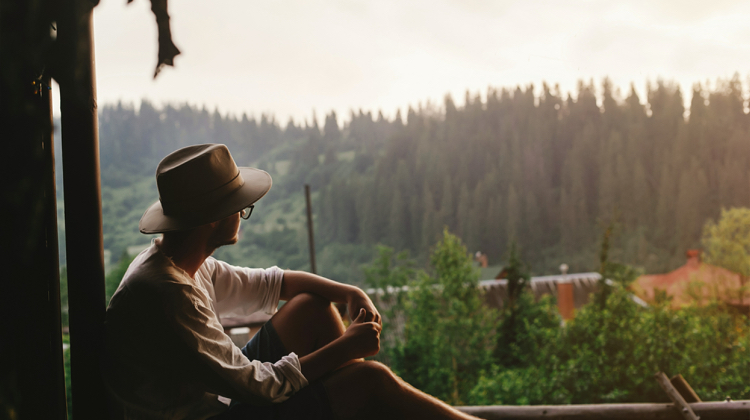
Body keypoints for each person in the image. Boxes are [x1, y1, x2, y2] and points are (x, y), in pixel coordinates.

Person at [102, 143, 480, 420]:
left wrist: (349, 292)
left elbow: (275, 284)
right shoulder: (167, 294)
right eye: (241, 207)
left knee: (312, 306)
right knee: (369, 380)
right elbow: (256, 387)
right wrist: (346, 347)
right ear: (214, 219)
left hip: (220, 397)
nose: (244, 213)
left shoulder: (182, 262)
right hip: (205, 414)